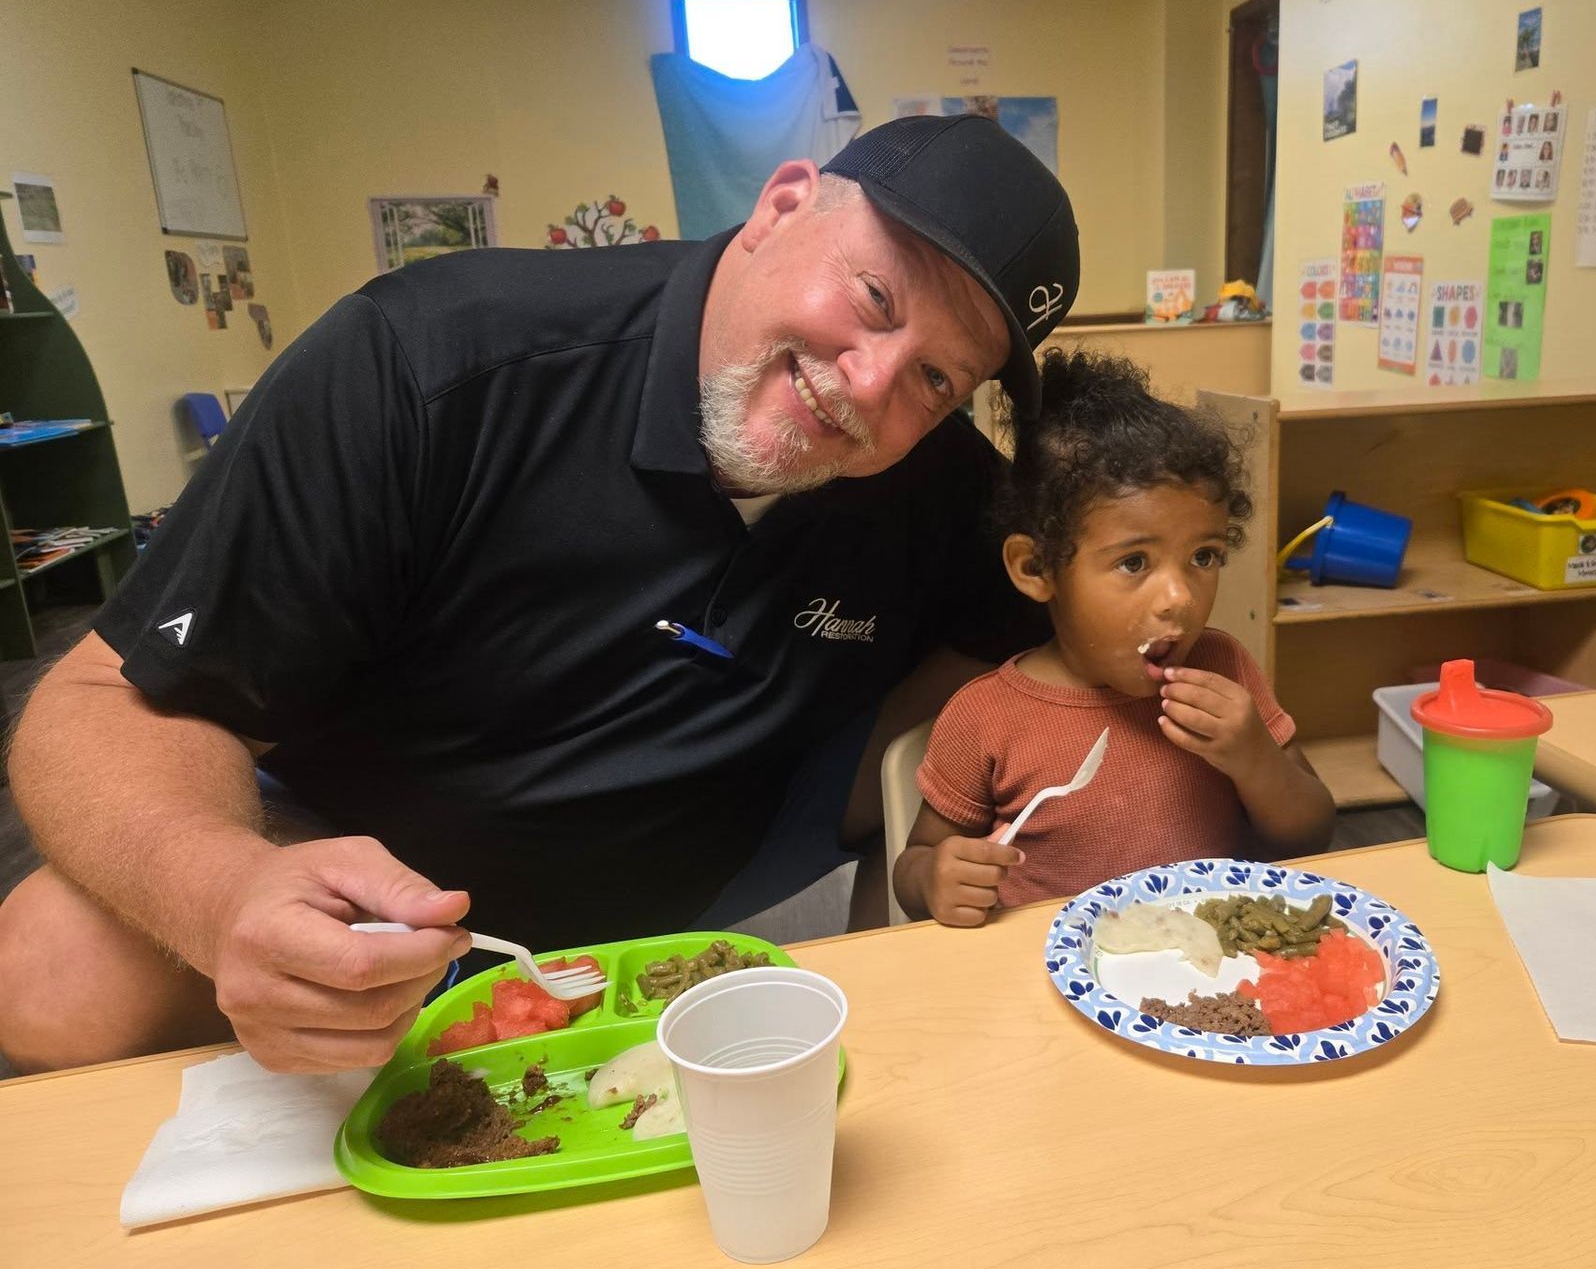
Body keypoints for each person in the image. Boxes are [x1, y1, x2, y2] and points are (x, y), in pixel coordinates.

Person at [0, 114, 1079, 1073]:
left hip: (688, 883)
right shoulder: (426, 369)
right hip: (359, 855)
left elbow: (1058, 622)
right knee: (52, 977)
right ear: (780, 207)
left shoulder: (934, 483)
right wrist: (228, 892)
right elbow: (101, 703)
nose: (870, 385)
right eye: (875, 297)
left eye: (939, 377)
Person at [891, 351, 1334, 927]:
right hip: (1048, 980)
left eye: (1204, 556)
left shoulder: (1224, 668)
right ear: (1036, 568)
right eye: (1134, 562)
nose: (1180, 596)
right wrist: (934, 878)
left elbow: (1313, 833)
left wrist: (1254, 759)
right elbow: (912, 867)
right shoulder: (985, 717)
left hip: (1211, 973)